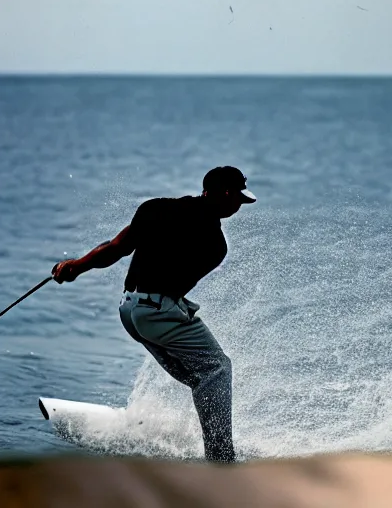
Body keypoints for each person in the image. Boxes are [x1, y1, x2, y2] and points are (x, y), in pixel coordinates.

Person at [52, 166, 256, 463]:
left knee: (201, 379)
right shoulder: (216, 244)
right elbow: (171, 282)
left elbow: (115, 248)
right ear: (224, 195)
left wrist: (76, 267)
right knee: (217, 369)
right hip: (156, 315)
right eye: (238, 199)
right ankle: (221, 459)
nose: (240, 206)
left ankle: (164, 436)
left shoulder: (155, 208)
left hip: (128, 309)